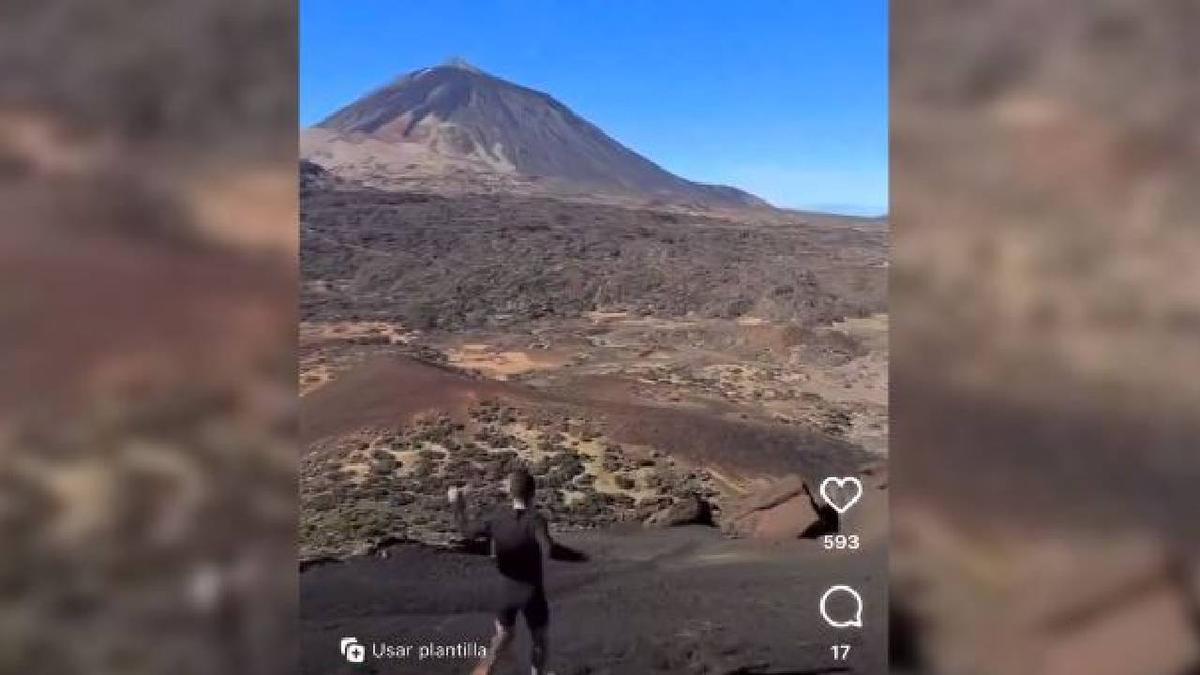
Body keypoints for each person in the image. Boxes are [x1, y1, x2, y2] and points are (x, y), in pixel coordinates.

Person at [448, 468, 554, 675]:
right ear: (533, 492)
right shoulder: (536, 520)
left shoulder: (496, 519)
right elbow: (547, 548)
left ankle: (483, 672)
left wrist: (457, 504)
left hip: (506, 591)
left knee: (502, 637)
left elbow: (465, 531)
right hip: (532, 592)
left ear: (510, 492)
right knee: (539, 639)